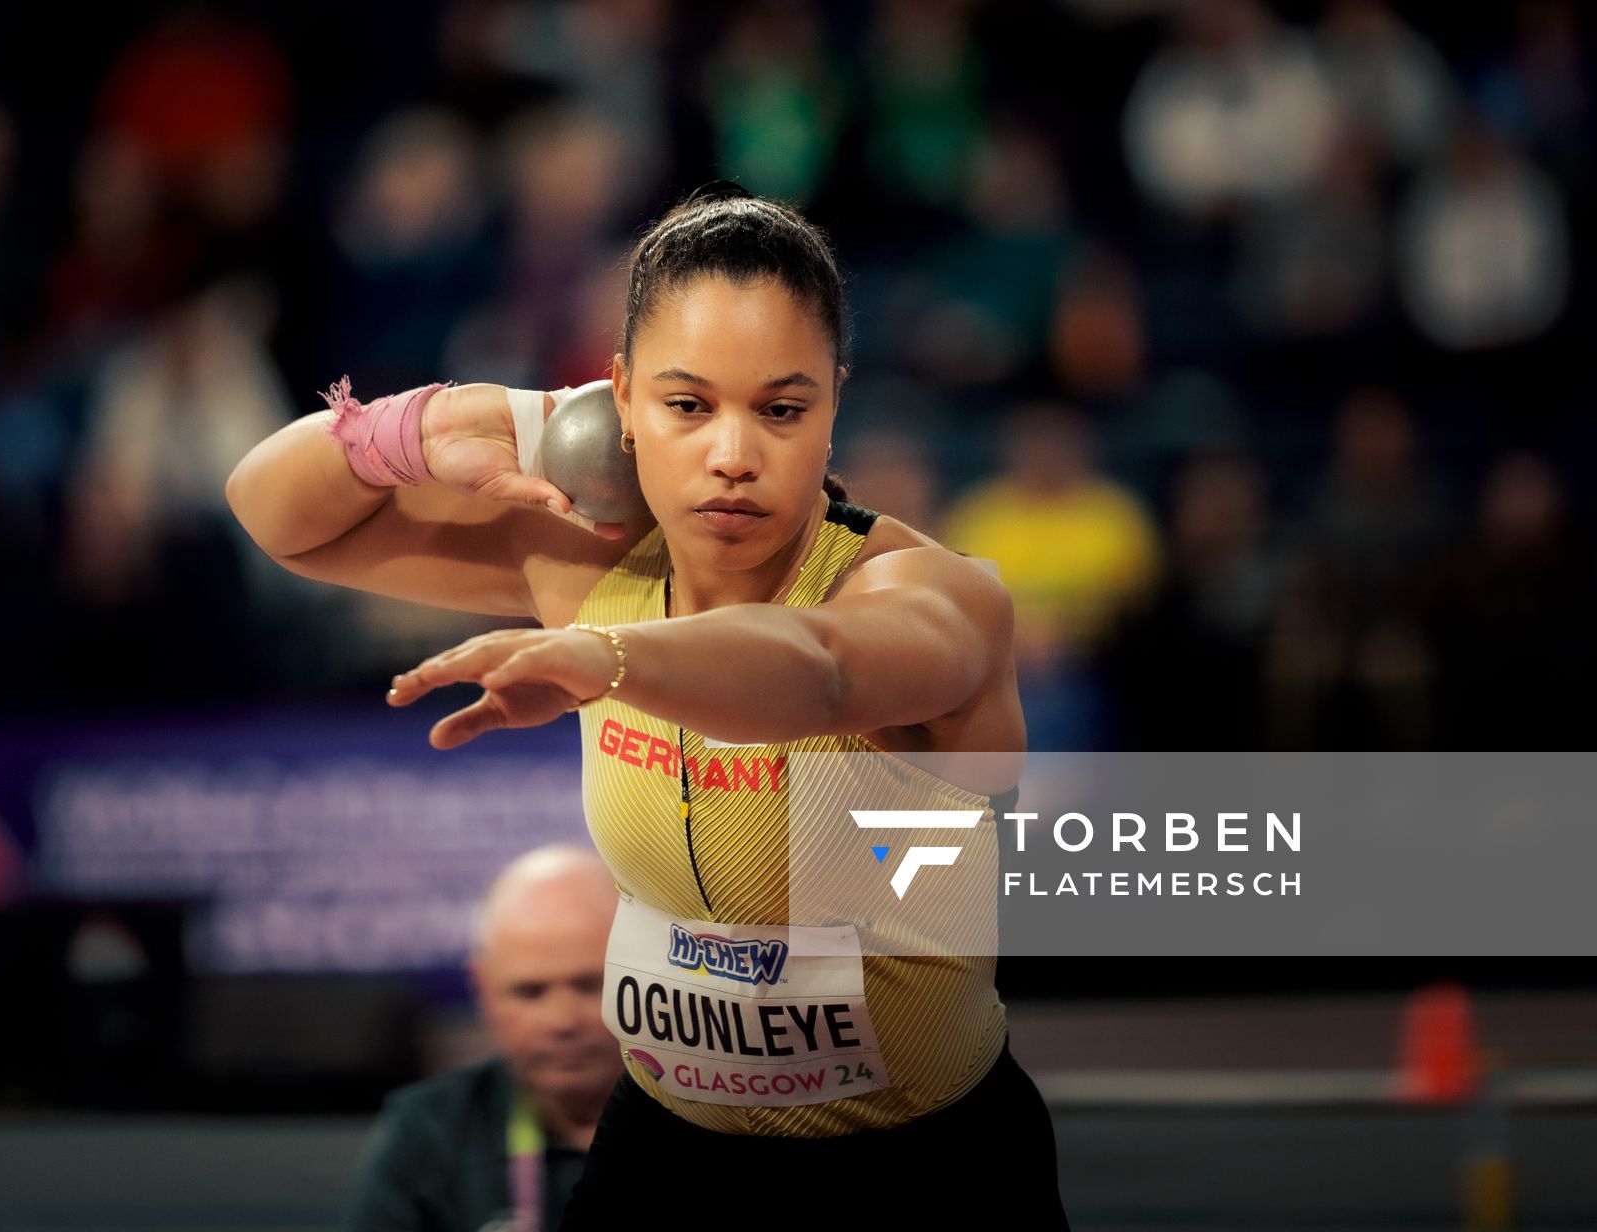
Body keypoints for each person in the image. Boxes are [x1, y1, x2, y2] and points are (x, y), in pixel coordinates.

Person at [228, 185, 1068, 1228]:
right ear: (618, 398)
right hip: (670, 1148)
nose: (732, 454)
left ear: (834, 405)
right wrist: (449, 418)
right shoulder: (588, 564)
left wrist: (601, 654)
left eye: (781, 407)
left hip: (924, 1170)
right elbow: (273, 512)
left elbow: (822, 669)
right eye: (687, 403)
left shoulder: (932, 597)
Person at [343, 845, 621, 1232]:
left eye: (591, 985)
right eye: (529, 992)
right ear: (484, 988)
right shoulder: (428, 1134)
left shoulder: (720, 1119)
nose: (562, 1021)